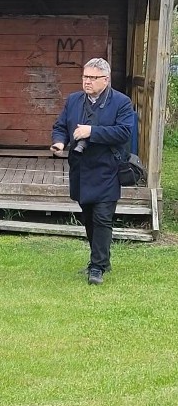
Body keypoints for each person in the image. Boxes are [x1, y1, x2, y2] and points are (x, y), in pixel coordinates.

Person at [51, 58, 134, 286]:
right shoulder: (74, 100)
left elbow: (124, 132)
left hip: (107, 169)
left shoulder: (121, 102)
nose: (87, 81)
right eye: (85, 77)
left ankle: (96, 266)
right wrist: (59, 142)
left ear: (105, 80)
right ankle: (102, 260)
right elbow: (60, 126)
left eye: (92, 78)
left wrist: (92, 131)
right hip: (81, 169)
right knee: (88, 217)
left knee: (102, 218)